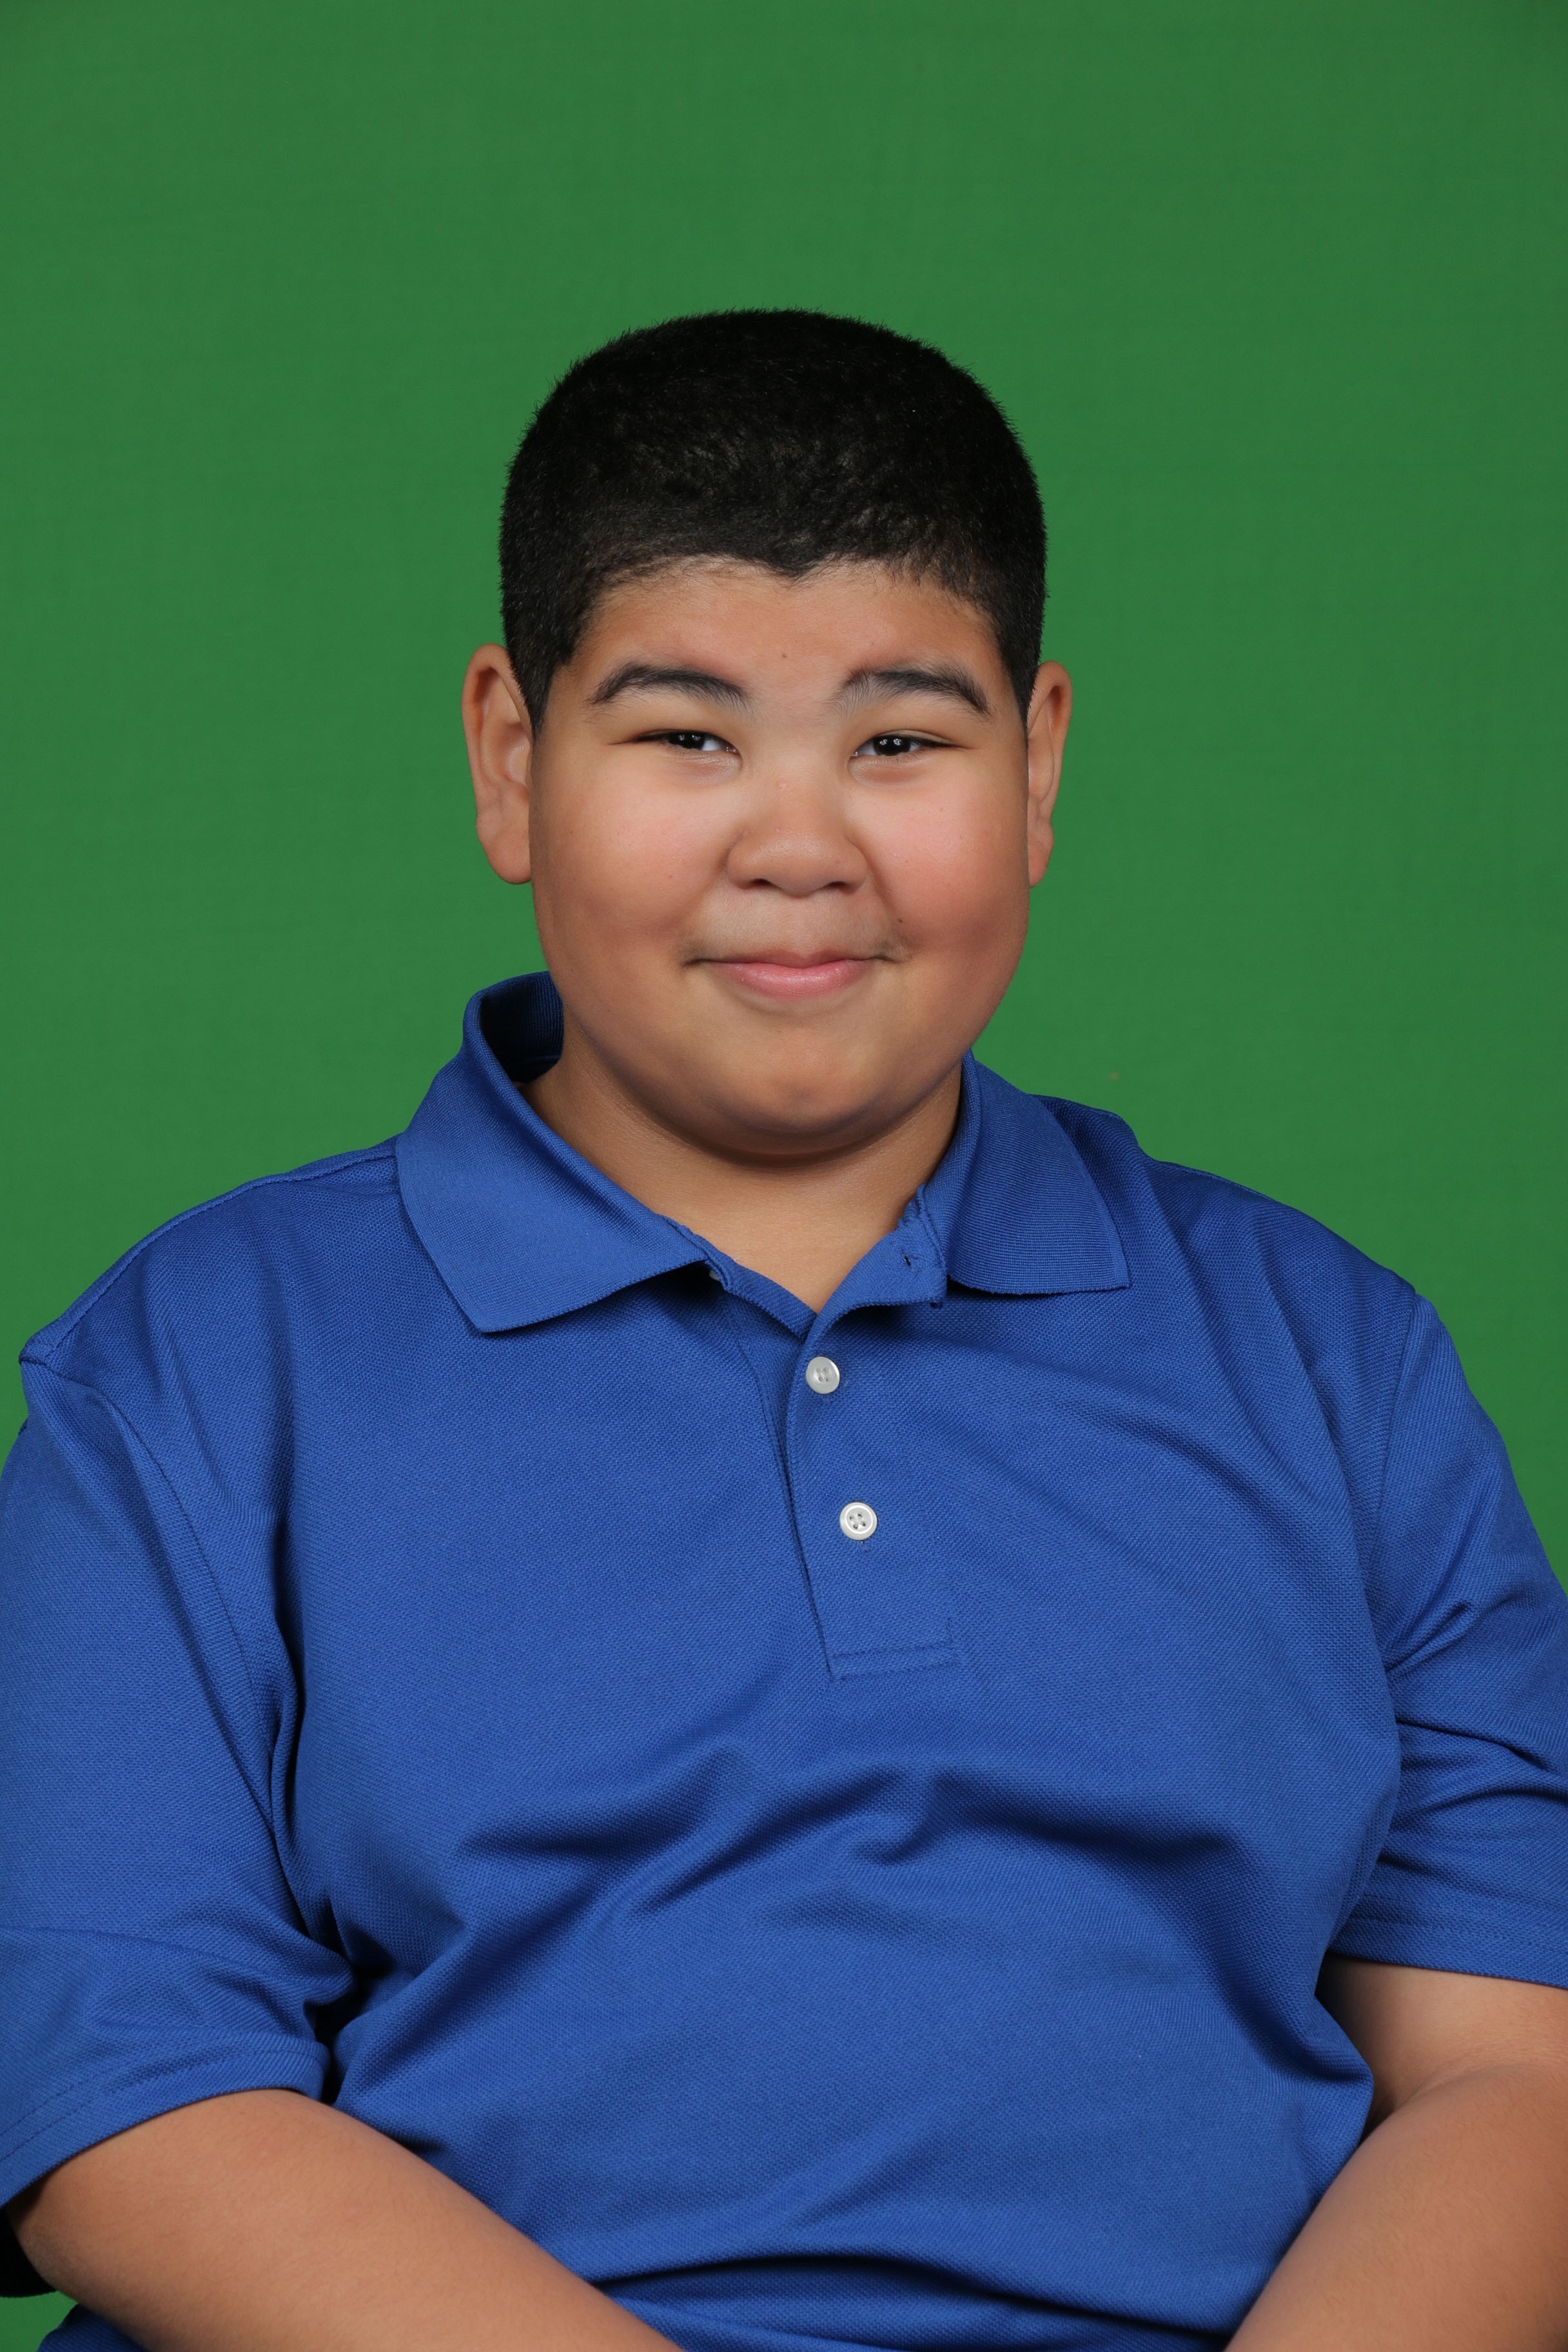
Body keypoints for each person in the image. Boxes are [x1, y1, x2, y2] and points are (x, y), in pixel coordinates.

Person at [3, 309, 1567, 2352]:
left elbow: (1512, 2074)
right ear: (511, 760)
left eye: (901, 741)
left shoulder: (1331, 1361)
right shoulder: (201, 1368)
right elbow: (126, 2107)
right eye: (687, 737)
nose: (801, 847)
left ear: (1040, 764)